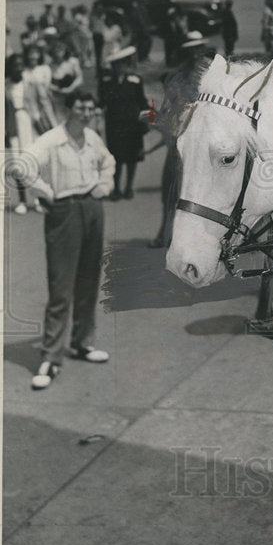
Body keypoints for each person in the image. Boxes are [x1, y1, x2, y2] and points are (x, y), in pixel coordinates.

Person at [23, 89, 115, 389]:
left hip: (92, 208)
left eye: (91, 109)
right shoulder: (51, 139)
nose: (87, 113)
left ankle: (82, 342)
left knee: (89, 279)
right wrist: (44, 192)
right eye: (81, 108)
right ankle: (50, 356)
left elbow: (108, 161)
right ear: (68, 110)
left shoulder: (92, 138)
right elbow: (21, 166)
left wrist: (104, 185)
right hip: (63, 212)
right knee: (61, 286)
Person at [148, 32, 212, 249]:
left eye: (198, 49)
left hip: (203, 139)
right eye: (191, 49)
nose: (195, 54)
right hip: (179, 140)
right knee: (170, 189)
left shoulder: (213, 74)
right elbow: (167, 111)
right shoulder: (177, 77)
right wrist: (154, 118)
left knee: (202, 191)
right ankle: (164, 234)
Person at [101, 46, 149, 200]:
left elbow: (143, 102)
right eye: (116, 64)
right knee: (116, 157)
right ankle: (116, 188)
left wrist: (147, 120)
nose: (120, 67)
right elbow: (102, 101)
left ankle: (129, 187)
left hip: (132, 124)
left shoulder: (135, 80)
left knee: (132, 157)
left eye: (123, 64)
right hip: (114, 124)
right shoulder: (106, 81)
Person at [5, 54, 44, 214]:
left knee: (32, 161)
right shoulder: (5, 85)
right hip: (12, 124)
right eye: (15, 65)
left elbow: (36, 106)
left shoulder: (28, 83)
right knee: (17, 163)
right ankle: (22, 200)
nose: (18, 68)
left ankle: (37, 199)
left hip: (27, 122)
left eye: (21, 64)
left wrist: (41, 127)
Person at [22, 44, 58, 134]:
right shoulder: (24, 71)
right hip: (30, 102)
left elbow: (46, 85)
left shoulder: (45, 69)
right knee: (37, 124)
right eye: (30, 53)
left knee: (51, 121)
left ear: (39, 55)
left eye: (35, 53)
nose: (33, 56)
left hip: (45, 100)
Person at [48, 38, 84, 118]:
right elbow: (48, 83)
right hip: (58, 96)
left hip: (72, 94)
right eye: (56, 50)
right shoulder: (50, 65)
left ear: (65, 51)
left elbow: (80, 78)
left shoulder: (73, 61)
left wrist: (70, 88)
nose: (58, 53)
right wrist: (57, 89)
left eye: (61, 50)